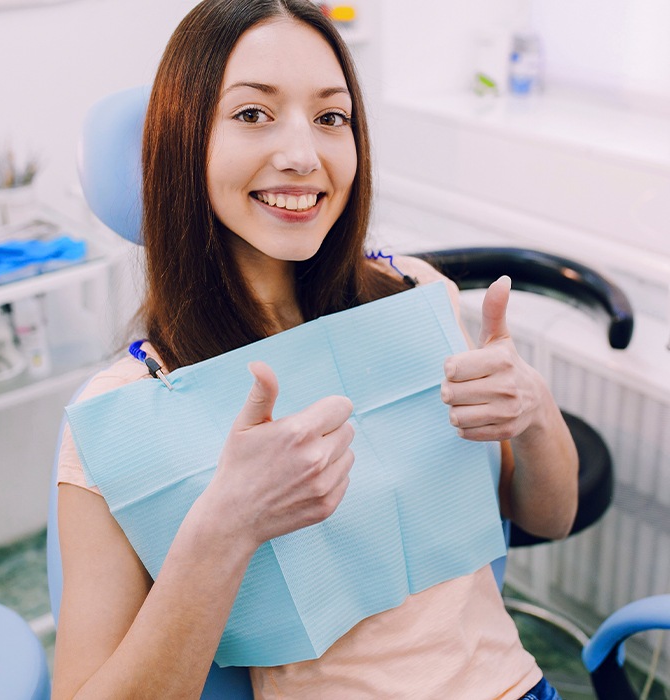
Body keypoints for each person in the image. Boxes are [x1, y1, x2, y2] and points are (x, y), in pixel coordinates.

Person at [52, 1, 578, 698]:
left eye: (332, 117)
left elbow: (549, 515)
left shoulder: (415, 295)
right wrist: (225, 527)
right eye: (251, 114)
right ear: (183, 145)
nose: (304, 156)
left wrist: (534, 410)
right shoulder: (123, 414)